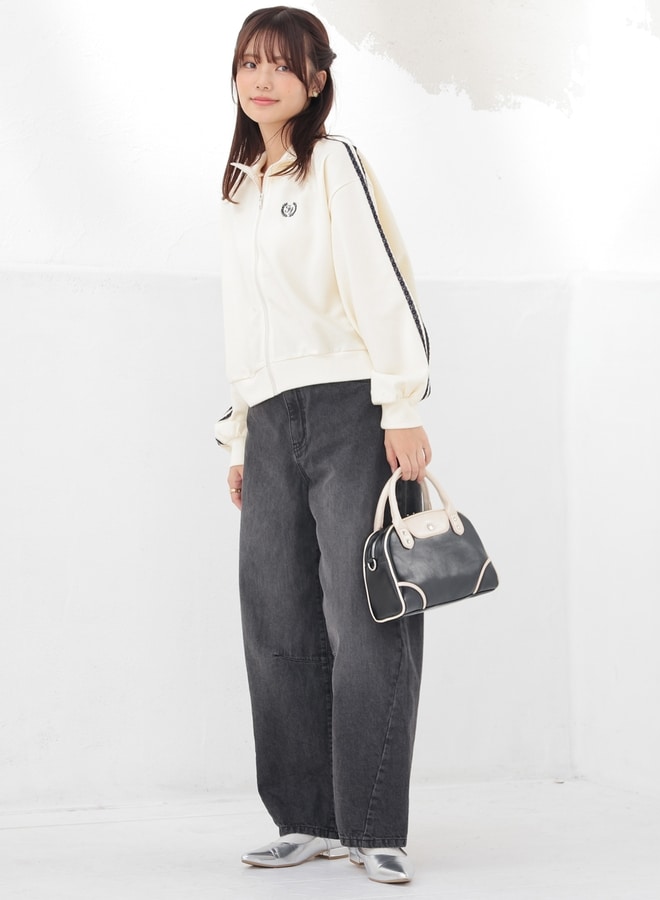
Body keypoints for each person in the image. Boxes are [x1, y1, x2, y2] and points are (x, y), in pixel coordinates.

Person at [215, 6, 431, 886]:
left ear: (316, 79)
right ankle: (305, 818)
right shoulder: (240, 186)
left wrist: (401, 402)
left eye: (281, 64)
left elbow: (381, 280)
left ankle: (372, 825)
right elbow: (244, 320)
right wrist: (238, 433)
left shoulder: (333, 162)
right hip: (270, 419)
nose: (261, 79)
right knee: (276, 619)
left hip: (351, 408)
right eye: (248, 63)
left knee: (368, 616)